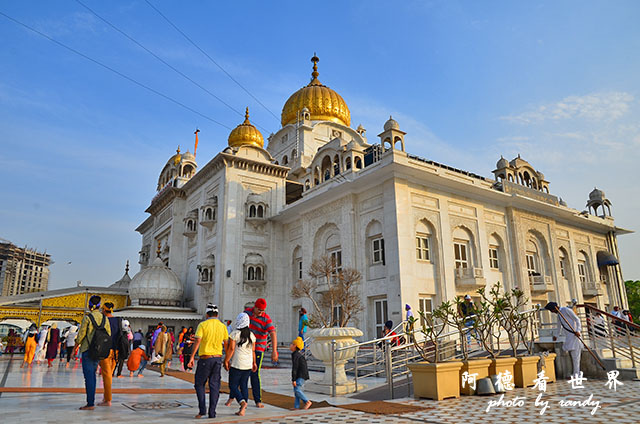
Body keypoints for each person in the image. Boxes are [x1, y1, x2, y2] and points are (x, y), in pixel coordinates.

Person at [187, 303, 229, 419]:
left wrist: (191, 357)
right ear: (217, 314)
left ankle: (202, 410)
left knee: (199, 384)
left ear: (207, 314)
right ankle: (212, 413)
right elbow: (227, 344)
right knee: (214, 386)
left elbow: (198, 341)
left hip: (205, 359)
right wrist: (227, 359)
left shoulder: (203, 325)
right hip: (217, 359)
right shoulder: (222, 326)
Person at [74, 295, 111, 410]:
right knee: (93, 376)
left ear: (89, 306)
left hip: (87, 350)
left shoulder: (88, 318)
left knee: (89, 377)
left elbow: (81, 336)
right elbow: (108, 335)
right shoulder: (105, 319)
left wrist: (75, 347)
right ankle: (92, 401)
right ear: (100, 306)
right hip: (99, 352)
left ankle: (90, 403)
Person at [246, 298, 278, 408]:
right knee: (242, 373)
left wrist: (274, 351)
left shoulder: (266, 318)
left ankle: (257, 400)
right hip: (247, 347)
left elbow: (273, 333)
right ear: (254, 307)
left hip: (259, 348)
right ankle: (241, 399)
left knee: (254, 373)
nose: (261, 312)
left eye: (262, 311)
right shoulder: (247, 313)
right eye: (259, 310)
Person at [224, 312, 257, 417]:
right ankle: (243, 408)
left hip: (237, 364)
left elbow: (231, 348)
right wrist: (254, 363)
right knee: (244, 386)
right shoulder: (252, 335)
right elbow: (253, 351)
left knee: (232, 385)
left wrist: (226, 360)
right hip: (247, 365)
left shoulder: (234, 334)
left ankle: (242, 402)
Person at [550, 302, 582, 378]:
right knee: (572, 355)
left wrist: (578, 330)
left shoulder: (566, 310)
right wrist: (556, 336)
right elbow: (559, 326)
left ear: (555, 308)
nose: (552, 312)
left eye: (552, 310)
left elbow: (577, 320)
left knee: (576, 356)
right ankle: (575, 373)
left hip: (575, 335)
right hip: (569, 337)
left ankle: (577, 375)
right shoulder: (559, 315)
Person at [98, 302, 119, 406]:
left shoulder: (103, 320)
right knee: (109, 374)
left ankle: (108, 400)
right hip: (116, 351)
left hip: (105, 350)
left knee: (106, 375)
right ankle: (106, 397)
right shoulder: (118, 320)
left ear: (103, 310)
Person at [291, 337, 312, 410]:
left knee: (297, 390)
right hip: (300, 375)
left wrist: (293, 379)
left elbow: (295, 367)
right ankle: (296, 407)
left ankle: (307, 401)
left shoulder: (296, 355)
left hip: (301, 375)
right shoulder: (295, 354)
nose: (290, 345)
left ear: (295, 346)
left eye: (292, 344)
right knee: (296, 391)